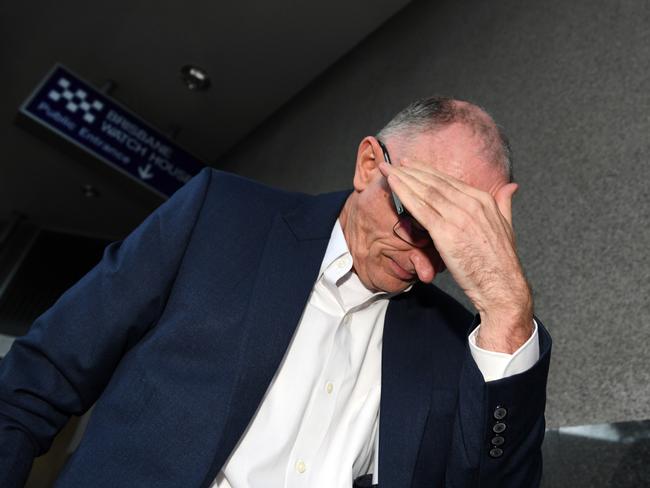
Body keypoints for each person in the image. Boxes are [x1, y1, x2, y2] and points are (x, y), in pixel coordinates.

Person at [0, 96, 551, 487]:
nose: (422, 265)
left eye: (451, 247)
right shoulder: (219, 216)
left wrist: (506, 314)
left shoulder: (463, 345)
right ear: (368, 166)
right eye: (416, 217)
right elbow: (36, 380)